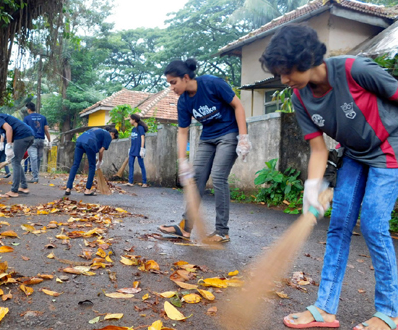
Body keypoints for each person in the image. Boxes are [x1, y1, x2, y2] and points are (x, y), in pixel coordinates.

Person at [260, 24, 398, 330]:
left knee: (374, 223)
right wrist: (313, 188)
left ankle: (390, 312)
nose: (283, 80)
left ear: (306, 59)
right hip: (355, 153)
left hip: (391, 147)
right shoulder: (300, 96)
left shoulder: (354, 69)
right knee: (339, 225)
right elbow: (318, 149)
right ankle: (325, 308)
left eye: (286, 71)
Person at [158, 58, 251, 242]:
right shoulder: (183, 102)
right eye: (169, 84)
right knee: (196, 179)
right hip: (207, 138)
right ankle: (185, 227)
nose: (172, 88)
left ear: (185, 77)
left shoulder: (211, 83)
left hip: (229, 133)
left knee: (218, 177)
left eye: (173, 82)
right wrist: (182, 161)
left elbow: (238, 106)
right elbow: (182, 132)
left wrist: (243, 138)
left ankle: (222, 231)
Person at [0, 106, 34, 198]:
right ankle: (24, 187)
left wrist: (9, 145)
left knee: (15, 162)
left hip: (23, 136)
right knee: (16, 161)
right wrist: (10, 148)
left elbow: (9, 129)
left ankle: (14, 191)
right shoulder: (1, 117)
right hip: (28, 135)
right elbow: (11, 131)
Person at [65, 127, 118, 196]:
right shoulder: (108, 135)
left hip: (80, 140)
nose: (111, 139)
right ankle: (87, 190)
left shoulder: (98, 130)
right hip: (89, 142)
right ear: (113, 134)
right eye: (113, 138)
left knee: (75, 164)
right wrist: (99, 162)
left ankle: (68, 188)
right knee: (92, 166)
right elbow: (101, 151)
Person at [23, 102, 52, 183]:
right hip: (42, 140)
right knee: (38, 159)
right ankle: (36, 176)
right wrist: (50, 141)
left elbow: (25, 130)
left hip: (32, 140)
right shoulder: (43, 117)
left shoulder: (27, 118)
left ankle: (35, 177)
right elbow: (46, 130)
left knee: (33, 159)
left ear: (28, 109)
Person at [126, 113, 148, 187]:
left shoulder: (140, 128)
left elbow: (142, 138)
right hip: (132, 150)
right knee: (130, 165)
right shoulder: (133, 129)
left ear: (134, 120)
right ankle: (130, 182)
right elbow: (133, 140)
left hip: (139, 150)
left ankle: (144, 182)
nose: (129, 121)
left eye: (130, 119)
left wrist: (142, 149)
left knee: (141, 165)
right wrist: (130, 148)